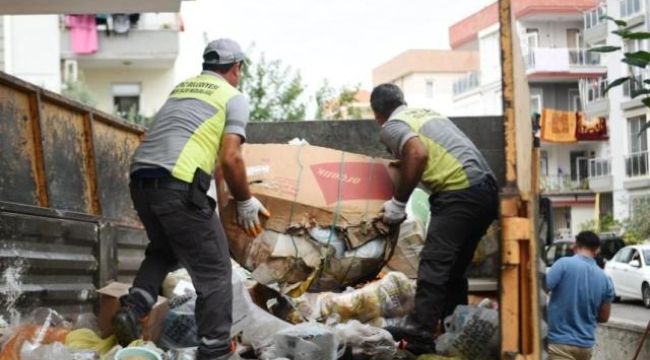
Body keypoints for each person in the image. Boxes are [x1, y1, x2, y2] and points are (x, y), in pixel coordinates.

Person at [112, 38, 269, 360]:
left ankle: (133, 308)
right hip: (178, 184)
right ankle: (215, 351)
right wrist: (245, 201)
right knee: (215, 273)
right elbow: (231, 159)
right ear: (236, 68)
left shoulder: (183, 89)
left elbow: (216, 163)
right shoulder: (233, 97)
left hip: (141, 179)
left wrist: (225, 202)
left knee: (164, 250)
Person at [370, 83, 499, 355]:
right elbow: (427, 152)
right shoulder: (426, 114)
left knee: (433, 264)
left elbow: (418, 153)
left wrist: (398, 203)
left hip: (458, 192)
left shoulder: (392, 126)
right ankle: (457, 329)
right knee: (452, 272)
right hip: (486, 191)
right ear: (402, 100)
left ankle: (420, 333)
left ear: (377, 114)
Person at [547, 231, 614, 360]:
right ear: (597, 250)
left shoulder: (563, 264)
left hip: (559, 344)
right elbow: (604, 317)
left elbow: (539, 292)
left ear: (575, 244)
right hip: (585, 347)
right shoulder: (606, 279)